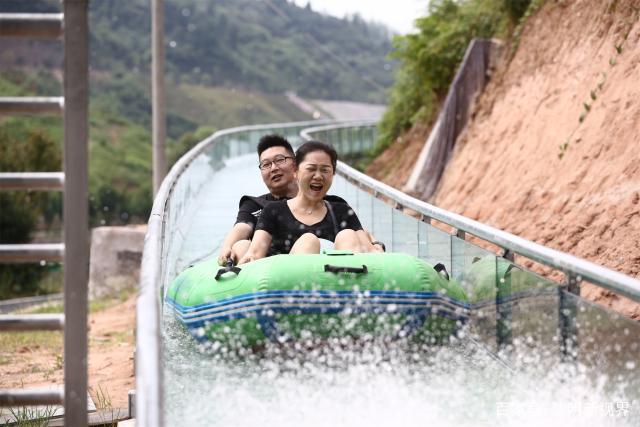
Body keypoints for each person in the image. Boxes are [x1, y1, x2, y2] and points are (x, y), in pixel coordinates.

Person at [217, 134, 370, 265]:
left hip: (332, 269)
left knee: (348, 235)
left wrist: (374, 244)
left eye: (280, 160)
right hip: (279, 270)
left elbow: (361, 235)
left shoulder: (336, 206)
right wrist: (227, 247)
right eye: (266, 164)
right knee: (243, 246)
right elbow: (242, 228)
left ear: (294, 166)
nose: (273, 168)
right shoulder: (260, 207)